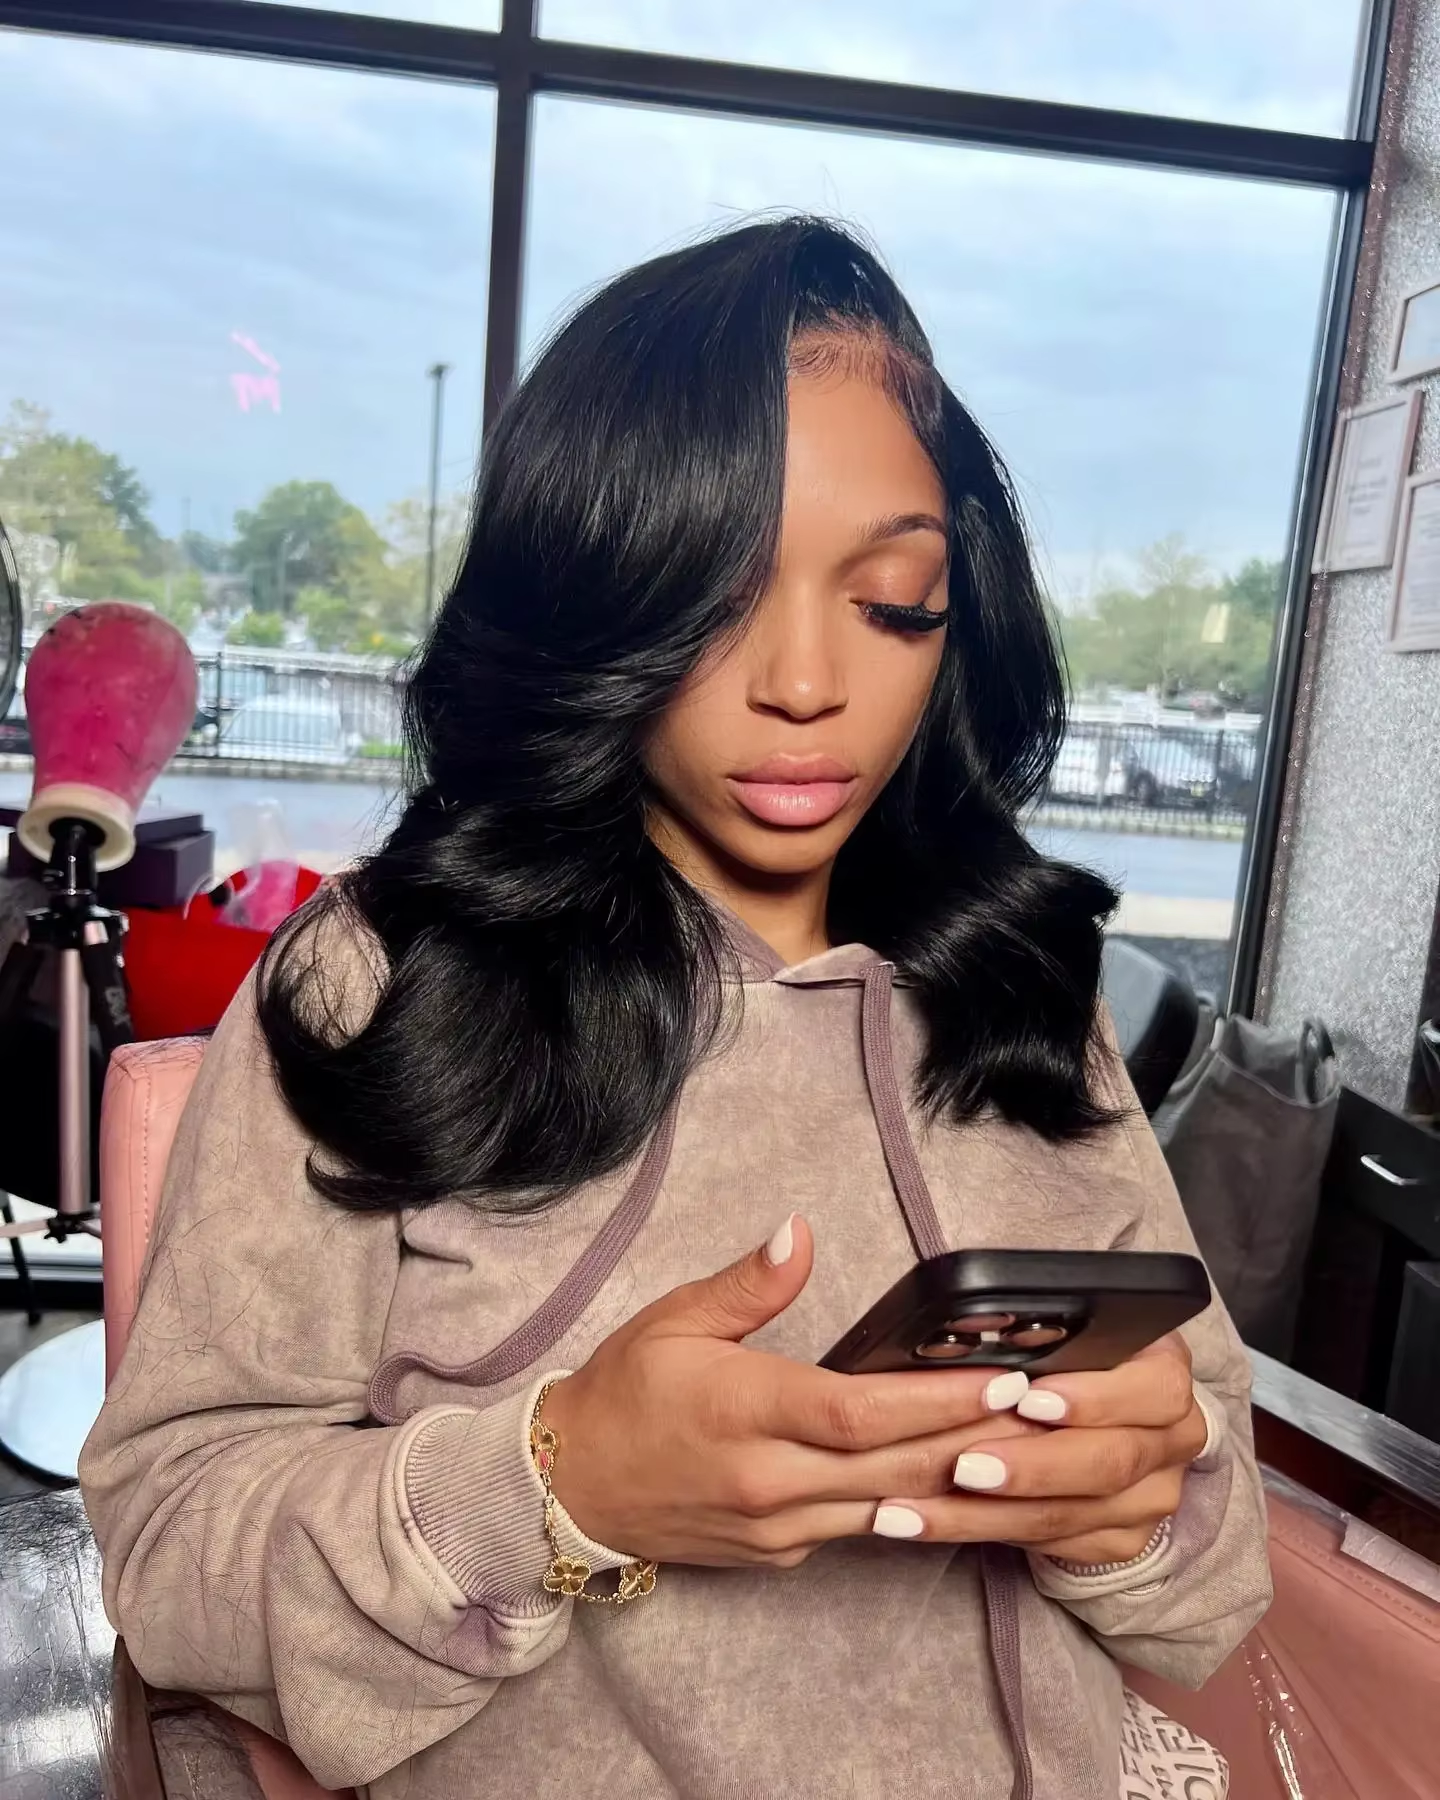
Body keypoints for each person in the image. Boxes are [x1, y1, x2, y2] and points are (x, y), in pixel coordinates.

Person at [81, 217, 1269, 1800]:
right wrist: (556, 1485)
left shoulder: (1020, 985)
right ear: (592, 602)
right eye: (712, 599)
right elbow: (169, 1545)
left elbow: (1213, 1574)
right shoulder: (387, 978)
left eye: (894, 601)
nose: (805, 684)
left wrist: (1130, 1506)